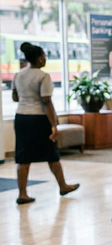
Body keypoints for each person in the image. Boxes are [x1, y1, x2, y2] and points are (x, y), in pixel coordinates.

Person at [11, 42, 79, 205]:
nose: (45, 58)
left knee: (23, 157)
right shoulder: (43, 76)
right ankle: (63, 186)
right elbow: (46, 101)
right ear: (39, 59)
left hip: (21, 117)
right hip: (38, 119)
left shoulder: (19, 75)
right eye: (44, 55)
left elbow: (15, 97)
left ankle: (22, 194)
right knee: (51, 153)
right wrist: (54, 124)